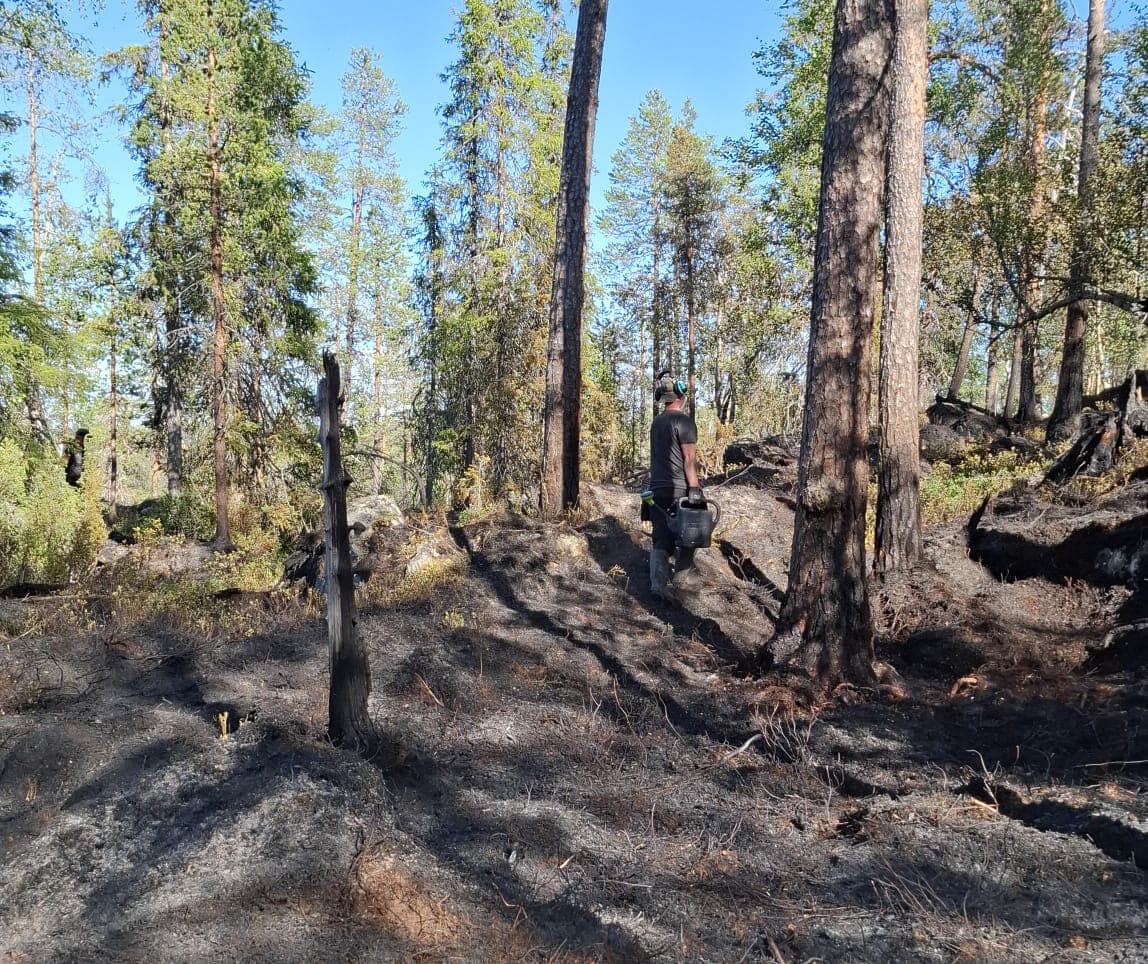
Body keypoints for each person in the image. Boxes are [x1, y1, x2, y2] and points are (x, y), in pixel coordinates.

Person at [648, 372, 704, 600]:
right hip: (679, 489)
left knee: (661, 537)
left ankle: (658, 586)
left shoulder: (656, 422)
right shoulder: (684, 422)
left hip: (656, 489)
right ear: (680, 394)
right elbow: (689, 460)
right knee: (693, 532)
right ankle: (681, 579)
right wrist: (695, 490)